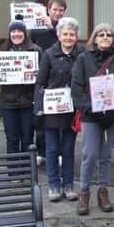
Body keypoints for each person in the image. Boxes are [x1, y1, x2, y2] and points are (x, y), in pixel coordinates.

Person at [72, 23, 114, 215]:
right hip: (91, 116)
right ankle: (84, 191)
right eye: (101, 34)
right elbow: (77, 89)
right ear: (94, 38)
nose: (105, 37)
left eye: (108, 34)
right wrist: (91, 109)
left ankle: (103, 190)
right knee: (89, 155)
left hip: (111, 116)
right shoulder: (82, 59)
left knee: (105, 155)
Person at [36, 17, 84, 202]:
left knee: (68, 148)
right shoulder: (49, 54)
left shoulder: (81, 54)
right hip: (52, 108)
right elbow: (41, 82)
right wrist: (39, 107)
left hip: (72, 109)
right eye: (65, 34)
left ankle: (69, 185)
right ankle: (54, 185)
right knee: (52, 148)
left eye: (72, 34)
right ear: (59, 35)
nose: (69, 37)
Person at [0, 15, 42, 170]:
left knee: (28, 137)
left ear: (25, 33)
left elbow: (42, 75)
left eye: (19, 31)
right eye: (13, 31)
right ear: (9, 34)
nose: (16, 34)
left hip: (28, 102)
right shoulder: (2, 51)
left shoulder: (35, 50)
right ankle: (13, 172)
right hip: (8, 102)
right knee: (12, 138)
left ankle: (28, 171)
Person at [30, 0, 68, 166]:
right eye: (55, 9)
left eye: (61, 10)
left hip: (59, 79)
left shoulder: (64, 29)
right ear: (48, 9)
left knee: (58, 118)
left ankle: (58, 152)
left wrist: (52, 28)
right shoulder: (36, 30)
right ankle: (41, 151)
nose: (58, 13)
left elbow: (63, 43)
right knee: (41, 117)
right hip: (41, 77)